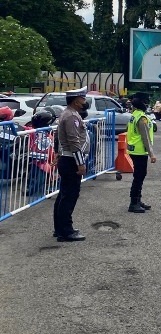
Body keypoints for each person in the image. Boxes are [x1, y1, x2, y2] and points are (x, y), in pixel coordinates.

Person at [53, 87, 90, 242]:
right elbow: (74, 142)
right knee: (69, 196)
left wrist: (57, 153)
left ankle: (60, 228)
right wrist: (80, 164)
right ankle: (66, 231)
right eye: (83, 98)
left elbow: (57, 135)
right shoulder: (71, 116)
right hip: (71, 161)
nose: (84, 101)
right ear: (76, 101)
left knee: (64, 195)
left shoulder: (69, 114)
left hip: (67, 159)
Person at [126, 92, 157, 213]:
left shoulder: (135, 114)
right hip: (140, 151)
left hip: (134, 150)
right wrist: (152, 154)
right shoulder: (142, 118)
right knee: (139, 177)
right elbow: (146, 138)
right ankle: (134, 203)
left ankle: (137, 200)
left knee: (138, 176)